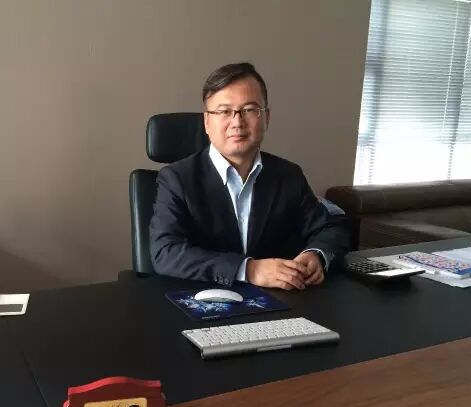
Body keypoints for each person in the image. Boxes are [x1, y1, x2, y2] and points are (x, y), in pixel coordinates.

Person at [149, 62, 350, 291]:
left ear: (266, 118)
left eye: (249, 110)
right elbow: (165, 252)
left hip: (278, 301)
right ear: (207, 121)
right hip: (204, 300)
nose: (237, 122)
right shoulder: (176, 179)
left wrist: (316, 254)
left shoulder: (288, 176)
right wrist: (249, 270)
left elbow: (329, 229)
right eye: (224, 111)